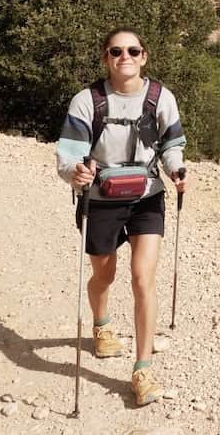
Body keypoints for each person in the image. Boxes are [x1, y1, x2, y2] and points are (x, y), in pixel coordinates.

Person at [55, 28, 189, 406]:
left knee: (142, 278)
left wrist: (177, 170)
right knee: (104, 275)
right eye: (116, 51)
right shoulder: (88, 101)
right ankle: (101, 325)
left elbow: (172, 145)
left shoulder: (161, 98)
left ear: (144, 56)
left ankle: (142, 370)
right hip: (101, 199)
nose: (124, 57)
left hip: (147, 196)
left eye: (132, 50)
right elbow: (68, 157)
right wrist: (75, 174)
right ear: (106, 58)